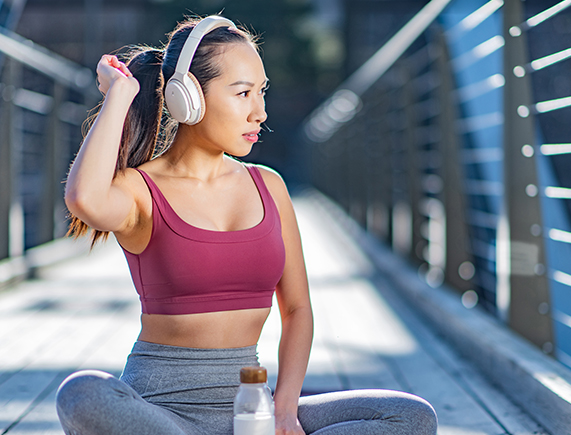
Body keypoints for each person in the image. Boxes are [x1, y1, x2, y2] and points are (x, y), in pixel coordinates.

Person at [55, 14, 438, 435]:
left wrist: (284, 412)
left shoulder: (268, 185)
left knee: (408, 415)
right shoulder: (140, 190)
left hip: (252, 408)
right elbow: (84, 198)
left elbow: (297, 309)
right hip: (160, 415)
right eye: (243, 93)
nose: (260, 112)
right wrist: (120, 96)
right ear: (190, 97)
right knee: (81, 392)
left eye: (262, 92)